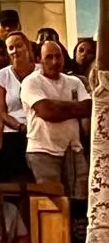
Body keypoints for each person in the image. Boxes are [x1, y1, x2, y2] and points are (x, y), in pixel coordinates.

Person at [21, 40, 90, 197]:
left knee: (81, 198)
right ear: (39, 59)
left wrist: (57, 107)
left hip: (73, 149)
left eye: (58, 56)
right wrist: (73, 108)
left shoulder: (75, 81)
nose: (54, 62)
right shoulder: (31, 82)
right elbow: (47, 111)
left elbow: (87, 108)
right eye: (49, 57)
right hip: (43, 151)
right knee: (53, 203)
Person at [0, 34, 34, 183]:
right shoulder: (1, 76)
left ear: (27, 47)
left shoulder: (41, 71)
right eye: (10, 48)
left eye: (19, 46)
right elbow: (0, 111)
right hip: (13, 132)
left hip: (39, 130)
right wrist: (20, 127)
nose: (15, 51)